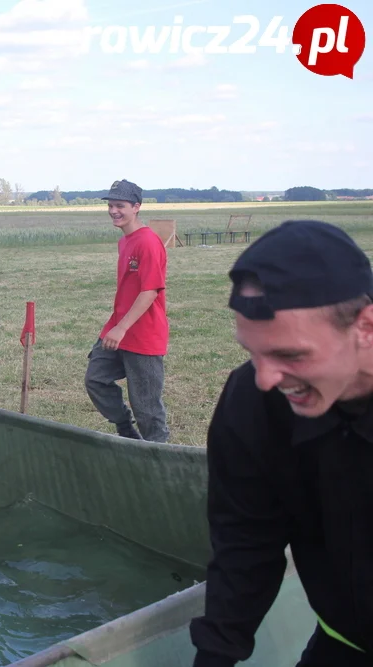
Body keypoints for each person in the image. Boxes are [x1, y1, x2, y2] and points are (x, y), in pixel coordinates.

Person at [190, 219, 373, 666]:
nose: (267, 378)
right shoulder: (254, 401)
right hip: (344, 640)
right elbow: (246, 541)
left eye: (291, 354)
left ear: (365, 327)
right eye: (252, 352)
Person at [84, 178, 170, 442]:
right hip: (118, 329)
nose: (113, 211)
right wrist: (116, 327)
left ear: (136, 207)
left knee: (146, 407)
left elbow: (150, 291)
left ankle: (160, 458)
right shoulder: (126, 241)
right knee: (96, 379)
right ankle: (126, 430)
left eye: (120, 205)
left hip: (142, 335)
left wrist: (121, 328)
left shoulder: (148, 242)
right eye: (110, 205)